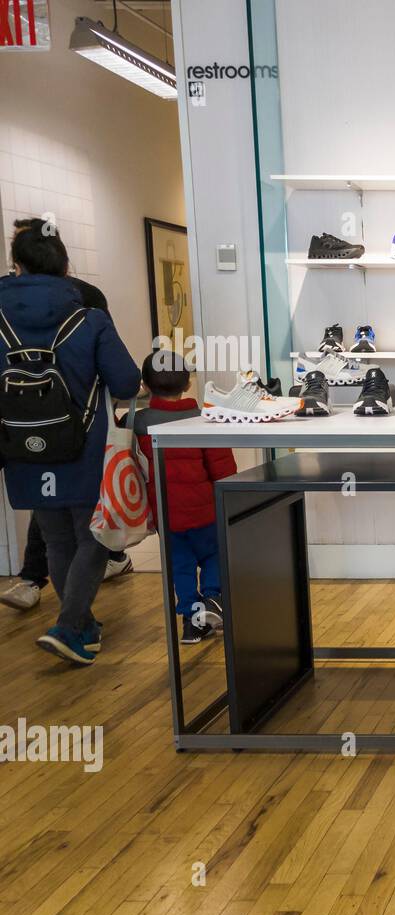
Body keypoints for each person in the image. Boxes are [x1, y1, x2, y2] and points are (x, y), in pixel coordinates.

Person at [0, 223, 140, 664]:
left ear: (16, 265)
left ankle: (81, 626)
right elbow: (127, 382)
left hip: (22, 448)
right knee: (95, 536)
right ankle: (69, 624)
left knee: (57, 539)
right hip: (83, 446)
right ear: (65, 267)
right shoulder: (89, 317)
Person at [134, 351, 235, 644]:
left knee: (181, 565)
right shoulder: (202, 419)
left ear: (145, 385)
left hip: (167, 513)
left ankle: (191, 620)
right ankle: (213, 599)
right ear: (188, 384)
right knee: (214, 554)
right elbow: (223, 469)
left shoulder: (137, 423)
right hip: (205, 511)